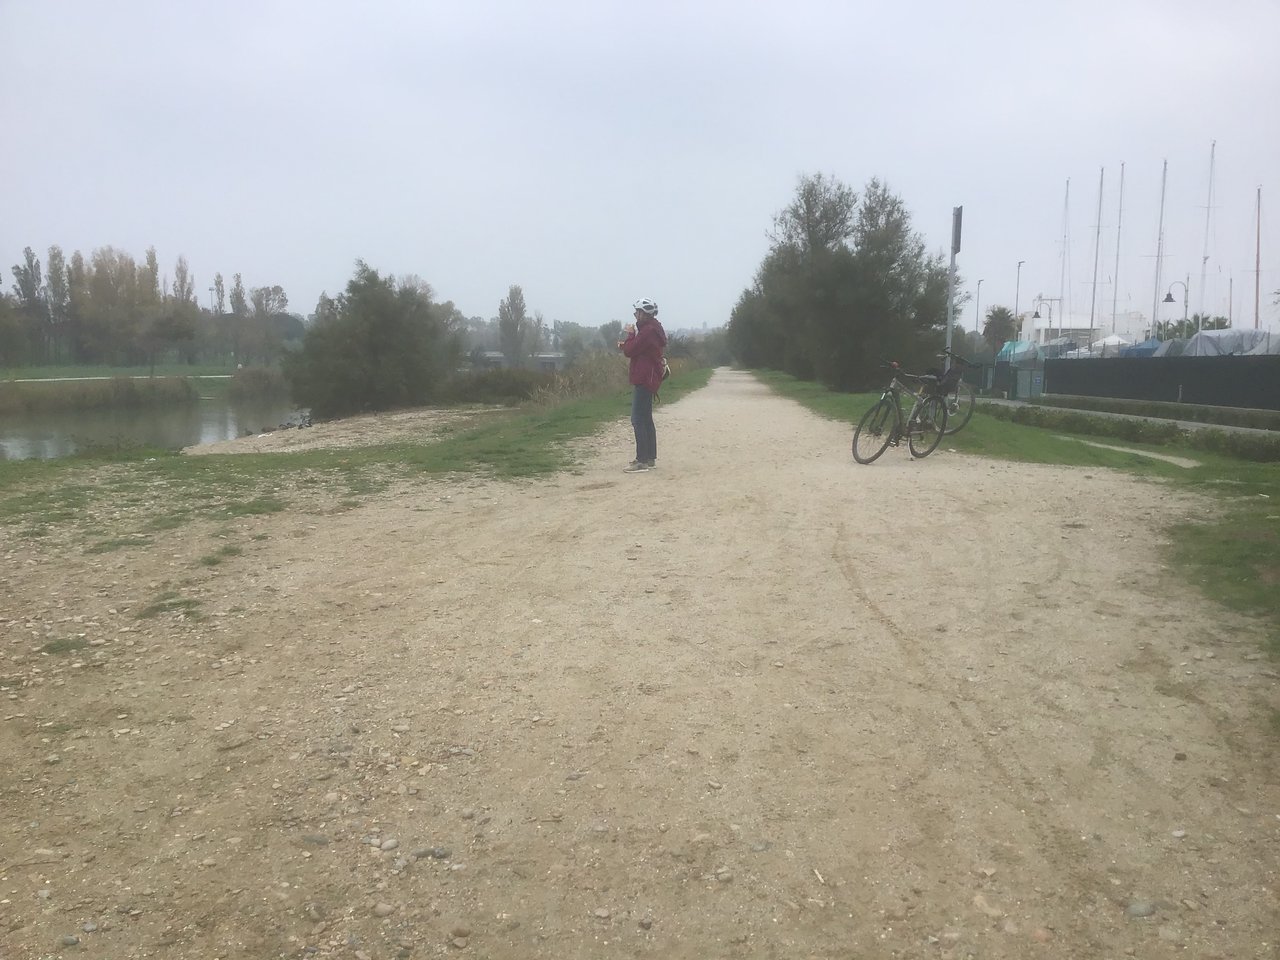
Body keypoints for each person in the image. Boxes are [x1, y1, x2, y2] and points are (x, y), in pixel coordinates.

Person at [618, 297, 667, 472]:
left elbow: (630, 350)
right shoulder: (653, 329)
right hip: (649, 377)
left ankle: (641, 461)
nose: (635, 315)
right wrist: (630, 341)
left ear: (644, 314)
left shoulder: (647, 331)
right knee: (646, 418)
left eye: (637, 312)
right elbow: (637, 349)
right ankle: (650, 458)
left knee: (637, 419)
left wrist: (630, 335)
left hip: (645, 377)